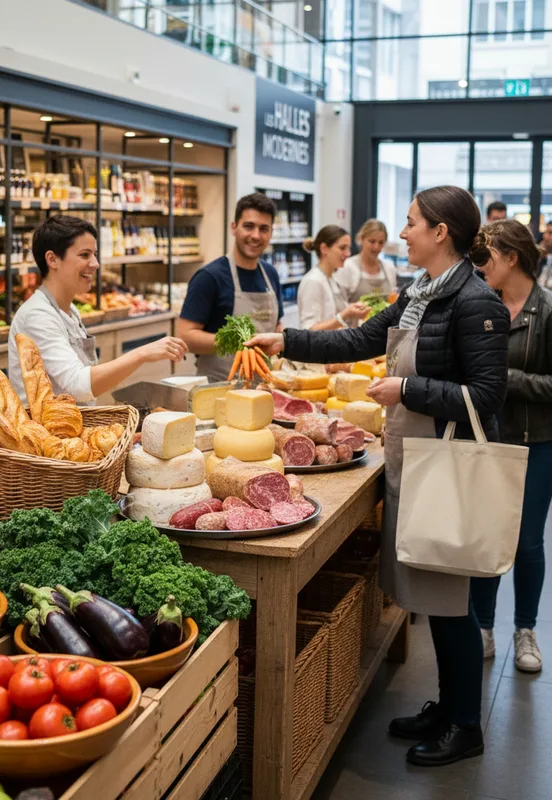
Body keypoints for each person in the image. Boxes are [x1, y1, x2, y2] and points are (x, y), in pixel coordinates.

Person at [247, 185, 509, 767]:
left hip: (446, 465)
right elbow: (361, 337)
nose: (402, 231)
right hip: (412, 458)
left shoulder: (475, 301)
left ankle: (467, 725)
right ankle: (447, 705)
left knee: (450, 599)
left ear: (441, 232)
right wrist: (286, 339)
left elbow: (490, 394)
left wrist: (408, 388)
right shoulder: (420, 291)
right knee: (431, 594)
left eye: (412, 222)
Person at [470, 220, 552, 673]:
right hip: (487, 441)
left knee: (527, 543)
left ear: (513, 258)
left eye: (489, 257)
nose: (482, 266)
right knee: (486, 537)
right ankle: (483, 627)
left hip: (535, 443)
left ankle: (525, 629)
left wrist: (509, 381)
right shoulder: (484, 305)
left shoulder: (548, 310)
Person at [9, 215, 187, 403]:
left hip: (75, 427)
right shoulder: (37, 316)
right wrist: (141, 354)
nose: (95, 264)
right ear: (52, 259)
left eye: (94, 254)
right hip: (45, 430)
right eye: (84, 255)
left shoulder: (69, 310)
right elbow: (77, 385)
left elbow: (84, 380)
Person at [176, 193, 283, 382]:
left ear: (271, 233)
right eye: (249, 226)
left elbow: (276, 324)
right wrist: (237, 341)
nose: (256, 235)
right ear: (234, 227)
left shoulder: (271, 274)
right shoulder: (210, 277)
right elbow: (185, 336)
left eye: (263, 229)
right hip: (219, 388)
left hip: (264, 386)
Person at [296, 225, 370, 330]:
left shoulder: (332, 278)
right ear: (324, 248)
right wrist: (345, 315)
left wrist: (353, 309)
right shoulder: (313, 281)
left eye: (349, 248)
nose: (348, 253)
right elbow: (309, 330)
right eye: (342, 248)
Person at [335, 218, 398, 302]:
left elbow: (393, 299)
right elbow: (340, 303)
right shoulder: (347, 266)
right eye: (372, 241)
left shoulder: (389, 268)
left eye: (381, 242)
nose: (376, 247)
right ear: (361, 239)